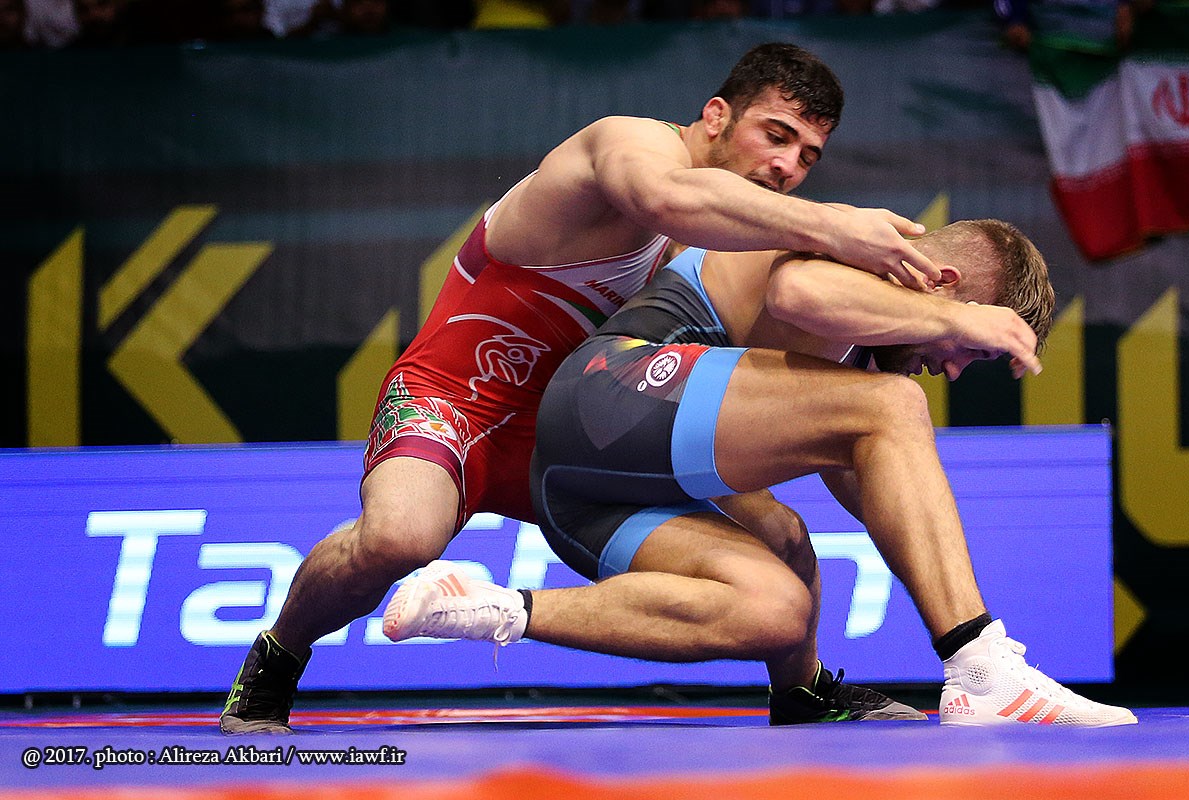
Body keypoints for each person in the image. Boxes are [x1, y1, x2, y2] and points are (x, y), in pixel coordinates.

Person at [219, 42, 945, 733]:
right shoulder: (628, 144)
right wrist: (834, 228)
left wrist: (896, 493)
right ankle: (279, 654)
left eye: (808, 156)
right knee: (398, 538)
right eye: (775, 136)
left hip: (581, 429)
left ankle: (802, 690)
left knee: (782, 534)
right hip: (457, 398)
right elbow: (665, 196)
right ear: (717, 115)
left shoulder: (732, 242)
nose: (786, 166)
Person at [382, 219, 1138, 727]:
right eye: (971, 349)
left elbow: (878, 492)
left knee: (778, 598)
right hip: (602, 398)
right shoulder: (860, 248)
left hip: (582, 500)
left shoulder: (862, 366)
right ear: (941, 283)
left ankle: (483, 607)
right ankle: (979, 669)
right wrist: (953, 321)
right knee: (896, 405)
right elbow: (794, 292)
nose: (953, 366)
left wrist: (934, 548)